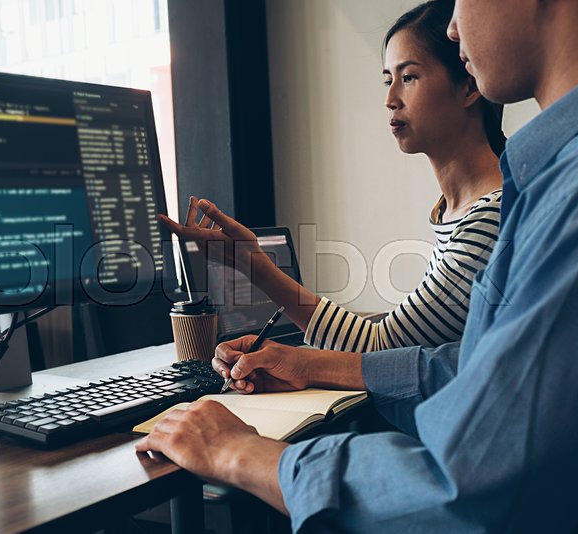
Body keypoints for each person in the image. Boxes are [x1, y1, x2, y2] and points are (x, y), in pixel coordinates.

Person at [137, 0, 578, 530]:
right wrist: (307, 363)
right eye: (389, 79)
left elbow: (470, 487)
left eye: (408, 77)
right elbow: (469, 364)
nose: (454, 26)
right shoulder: (555, 181)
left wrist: (238, 452)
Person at [161, 0, 506, 353]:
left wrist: (255, 266)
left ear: (469, 87)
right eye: (388, 80)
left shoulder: (490, 218)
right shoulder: (454, 211)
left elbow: (382, 349)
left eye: (408, 77)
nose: (390, 98)